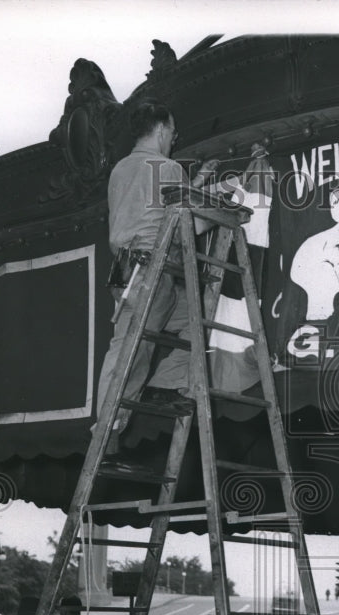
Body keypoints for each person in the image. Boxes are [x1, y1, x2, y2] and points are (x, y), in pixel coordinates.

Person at [96, 100, 219, 453]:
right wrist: (221, 205)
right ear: (162, 130)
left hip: (126, 270)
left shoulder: (121, 169)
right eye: (173, 132)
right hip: (151, 270)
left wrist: (196, 183)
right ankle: (106, 434)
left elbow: (149, 206)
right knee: (130, 349)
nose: (174, 138)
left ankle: (161, 387)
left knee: (190, 321)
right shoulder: (167, 167)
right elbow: (183, 226)